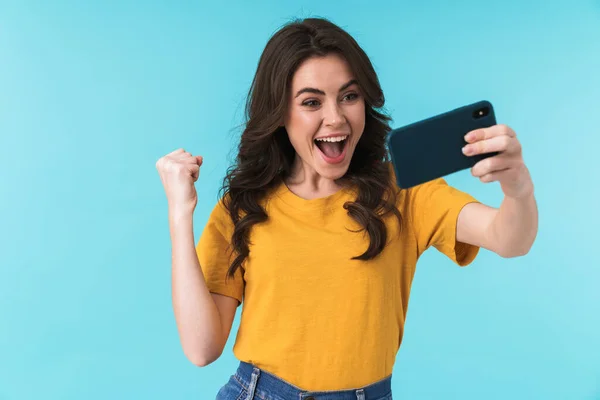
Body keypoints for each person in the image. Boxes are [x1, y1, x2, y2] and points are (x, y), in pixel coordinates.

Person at [156, 17, 538, 400]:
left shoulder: (404, 194)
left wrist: (517, 187)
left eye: (349, 96)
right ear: (280, 113)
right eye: (311, 102)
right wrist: (179, 214)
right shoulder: (244, 206)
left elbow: (509, 239)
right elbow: (201, 348)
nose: (336, 118)